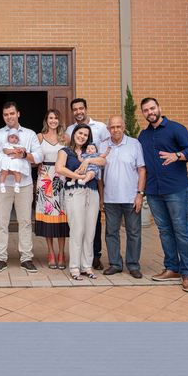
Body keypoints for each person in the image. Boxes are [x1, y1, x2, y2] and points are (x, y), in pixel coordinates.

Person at [138, 97, 188, 292]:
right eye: (146, 110)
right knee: (164, 230)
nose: (150, 112)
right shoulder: (143, 136)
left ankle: (187, 273)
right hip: (154, 190)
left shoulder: (175, 128)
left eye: (152, 108)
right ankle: (172, 268)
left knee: (181, 230)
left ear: (159, 108)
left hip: (176, 188)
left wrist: (177, 155)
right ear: (143, 113)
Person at [0, 102, 44, 273]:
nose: (9, 117)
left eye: (11, 113)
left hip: (24, 184)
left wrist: (23, 155)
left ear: (18, 113)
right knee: (1, 221)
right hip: (2, 184)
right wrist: (4, 164)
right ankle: (1, 257)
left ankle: (26, 257)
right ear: (3, 116)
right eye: (5, 114)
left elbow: (39, 156)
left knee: (25, 221)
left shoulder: (30, 134)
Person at [65, 98, 110, 272]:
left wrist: (90, 160)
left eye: (81, 108)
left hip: (95, 178)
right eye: (75, 109)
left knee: (94, 223)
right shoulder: (70, 130)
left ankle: (95, 257)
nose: (78, 112)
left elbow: (104, 156)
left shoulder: (100, 127)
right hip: (77, 184)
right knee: (79, 225)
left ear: (86, 109)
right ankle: (77, 262)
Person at [98, 115, 146, 278]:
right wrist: (101, 197)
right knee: (111, 232)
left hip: (131, 197)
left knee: (134, 232)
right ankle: (115, 264)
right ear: (108, 129)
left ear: (123, 127)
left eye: (118, 126)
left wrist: (140, 194)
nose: (116, 130)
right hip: (111, 198)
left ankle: (133, 264)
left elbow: (141, 170)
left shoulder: (134, 144)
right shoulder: (103, 145)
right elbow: (100, 173)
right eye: (112, 127)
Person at [57, 124, 106, 280]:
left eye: (86, 134)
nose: (82, 136)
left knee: (90, 231)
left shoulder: (91, 152)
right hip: (74, 192)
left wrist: (88, 160)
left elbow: (104, 162)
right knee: (77, 230)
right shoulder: (65, 151)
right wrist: (79, 177)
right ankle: (75, 267)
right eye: (80, 133)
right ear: (74, 134)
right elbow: (59, 168)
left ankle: (87, 266)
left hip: (92, 193)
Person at [34, 109, 70, 270]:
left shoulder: (66, 137)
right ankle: (51, 254)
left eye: (56, 118)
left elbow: (73, 157)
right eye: (50, 118)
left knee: (62, 216)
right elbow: (33, 157)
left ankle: (62, 254)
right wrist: (37, 165)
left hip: (62, 178)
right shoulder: (39, 136)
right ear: (46, 120)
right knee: (48, 216)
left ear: (59, 120)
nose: (53, 120)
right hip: (45, 179)